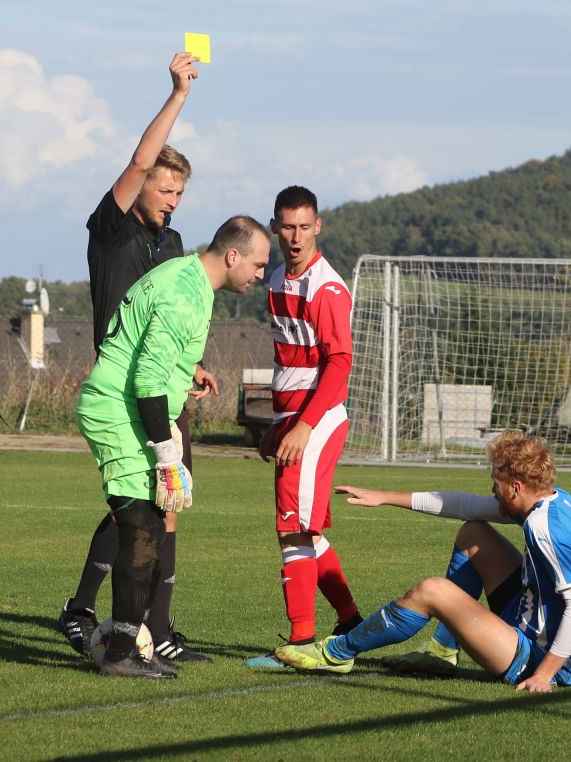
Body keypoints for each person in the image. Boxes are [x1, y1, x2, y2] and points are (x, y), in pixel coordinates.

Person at [58, 51, 219, 663]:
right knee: (140, 508)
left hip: (160, 390)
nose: (172, 197)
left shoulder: (174, 245)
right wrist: (179, 95)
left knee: (162, 505)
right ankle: (89, 616)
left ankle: (156, 629)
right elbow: (137, 159)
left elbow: (174, 320)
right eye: (164, 185)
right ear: (142, 183)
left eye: (180, 190)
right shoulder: (113, 228)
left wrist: (194, 365)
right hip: (121, 387)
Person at [77, 215, 270, 678]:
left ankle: (131, 643)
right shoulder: (186, 295)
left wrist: (187, 374)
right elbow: (144, 379)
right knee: (143, 526)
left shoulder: (186, 276)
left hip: (126, 407)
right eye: (259, 264)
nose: (261, 275)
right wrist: (167, 452)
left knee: (149, 522)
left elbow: (153, 354)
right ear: (232, 256)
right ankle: (121, 651)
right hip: (117, 411)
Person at [275, 430, 571, 692]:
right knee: (472, 533)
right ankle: (442, 650)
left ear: (516, 487)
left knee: (431, 591)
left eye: (496, 483)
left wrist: (546, 674)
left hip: (546, 661)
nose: (492, 490)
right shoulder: (552, 500)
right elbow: (465, 506)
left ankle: (336, 653)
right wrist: (384, 498)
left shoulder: (543, 526)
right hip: (532, 620)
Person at [244, 186, 362, 670]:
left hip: (318, 419)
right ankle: (352, 624)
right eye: (287, 227)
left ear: (319, 227)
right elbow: (288, 360)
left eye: (304, 226)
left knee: (292, 531)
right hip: (292, 417)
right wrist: (278, 423)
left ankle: (303, 643)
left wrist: (304, 426)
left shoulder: (326, 288)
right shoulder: (275, 279)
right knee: (306, 534)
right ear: (275, 227)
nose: (296, 236)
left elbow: (339, 364)